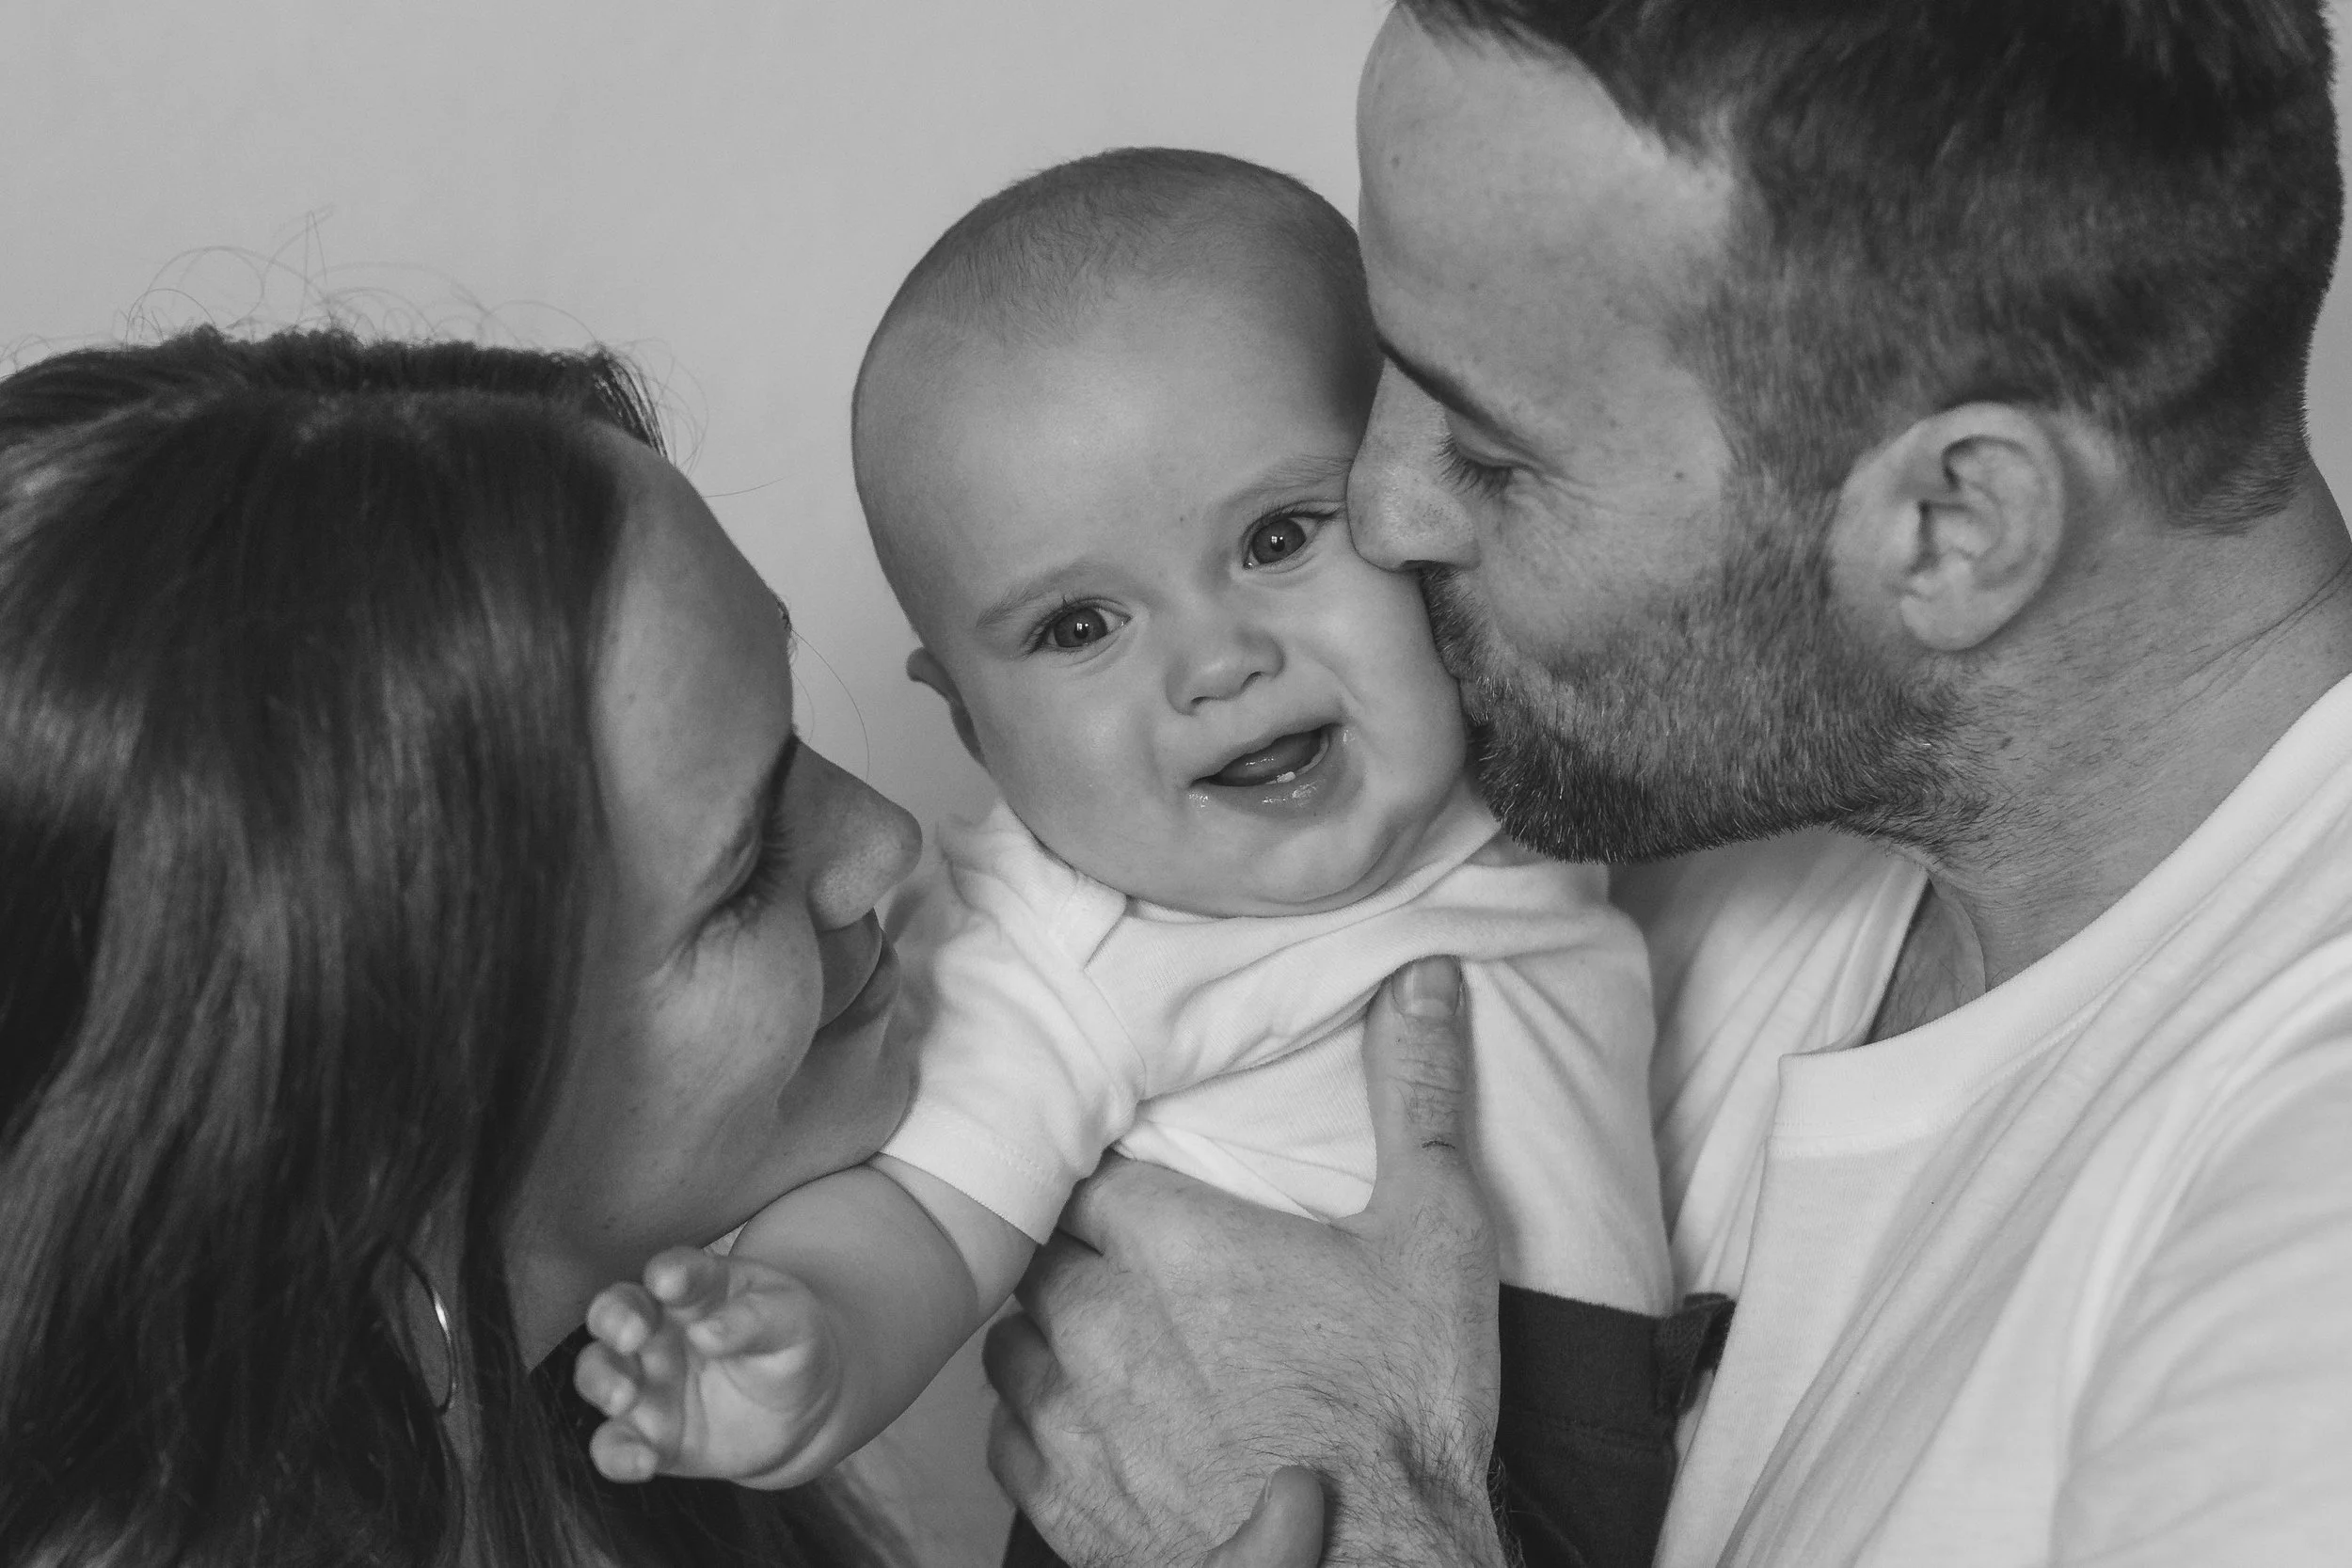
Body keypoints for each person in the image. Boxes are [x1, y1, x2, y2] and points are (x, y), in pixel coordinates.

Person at [979, 3, 2352, 1566]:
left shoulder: (2306, 1227)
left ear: (1956, 525)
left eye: (1492, 453)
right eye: (1384, 372)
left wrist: (1377, 1522)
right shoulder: (1620, 804)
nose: (1376, 505)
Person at [0, 325, 1311, 1568]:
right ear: (393, 1123)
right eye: (743, 873)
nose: (887, 843)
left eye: (793, 735)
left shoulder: (642, 1445)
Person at [575, 149, 1690, 1568]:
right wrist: (801, 1339)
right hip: (1240, 1491)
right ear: (973, 726)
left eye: (1280, 536)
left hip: (1573, 1437)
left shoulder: (1519, 735)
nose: (1218, 662)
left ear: (1426, 497)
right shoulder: (1065, 935)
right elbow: (922, 1213)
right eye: (1080, 628)